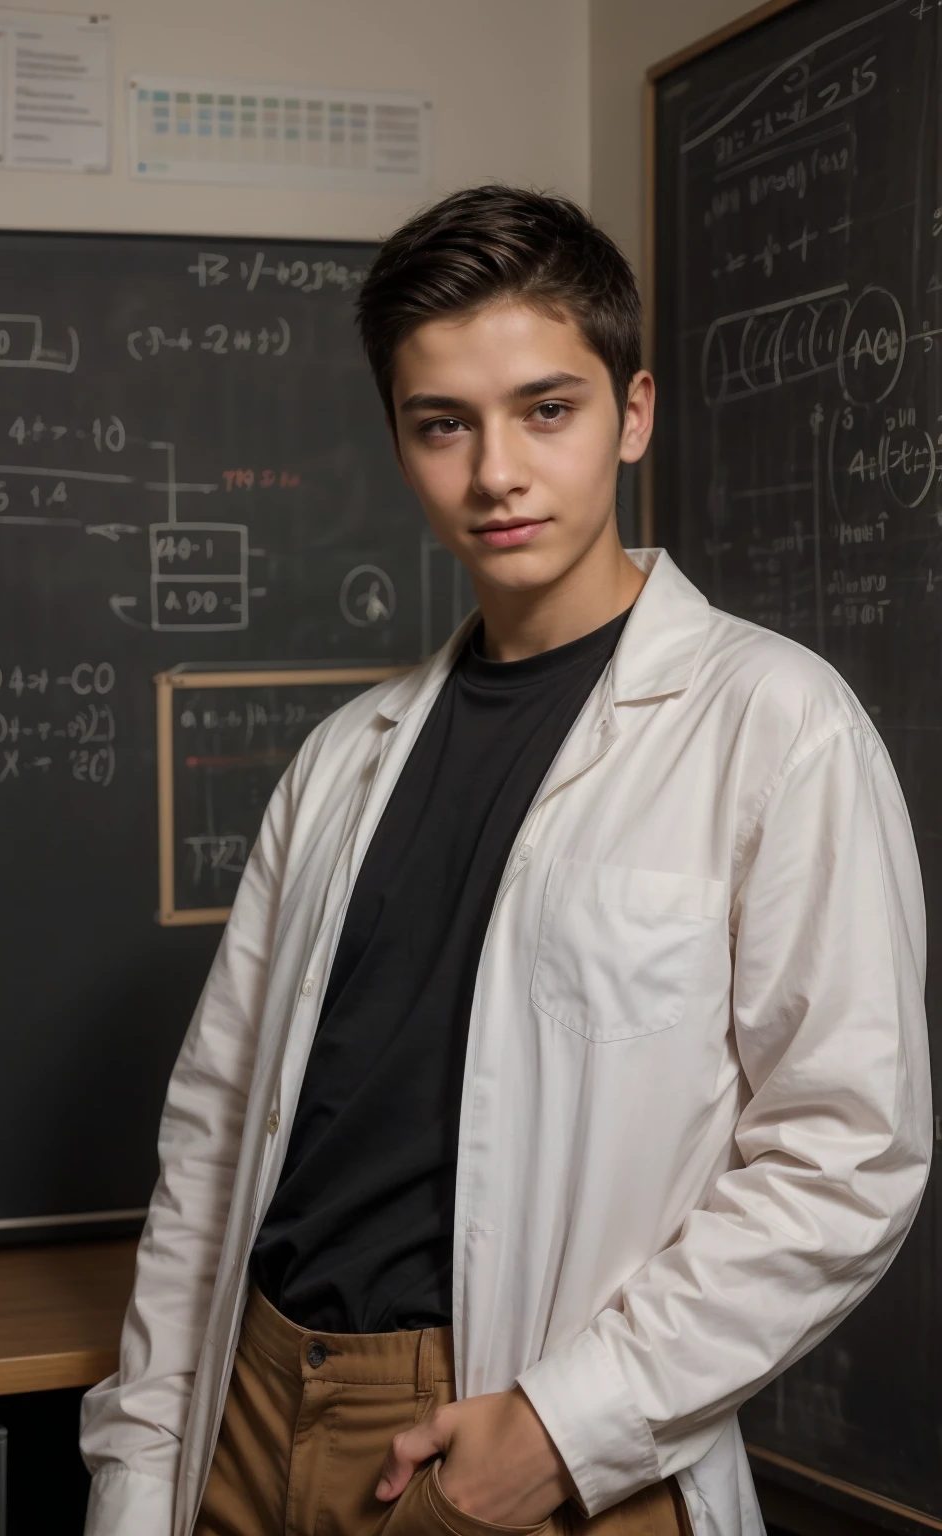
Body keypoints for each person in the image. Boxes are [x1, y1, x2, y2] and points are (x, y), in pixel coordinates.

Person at [80, 185, 932, 1536]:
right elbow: (215, 1133)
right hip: (245, 1416)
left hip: (509, 1438)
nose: (496, 473)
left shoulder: (776, 724)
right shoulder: (342, 757)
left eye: (548, 409)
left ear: (632, 414)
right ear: (401, 443)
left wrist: (564, 1425)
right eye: (444, 426)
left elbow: (848, 1151)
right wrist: (140, 1471)